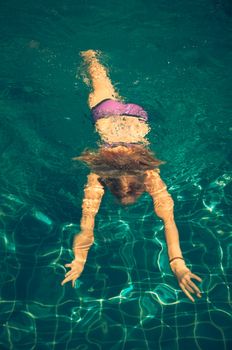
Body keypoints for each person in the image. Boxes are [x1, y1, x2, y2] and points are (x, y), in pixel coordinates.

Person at [61, 50, 202, 302]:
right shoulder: (114, 173)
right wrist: (78, 259)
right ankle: (90, 56)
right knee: (97, 78)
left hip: (138, 117)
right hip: (106, 115)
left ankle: (91, 56)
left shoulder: (143, 171)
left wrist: (179, 264)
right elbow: (167, 221)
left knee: (98, 74)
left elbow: (88, 222)